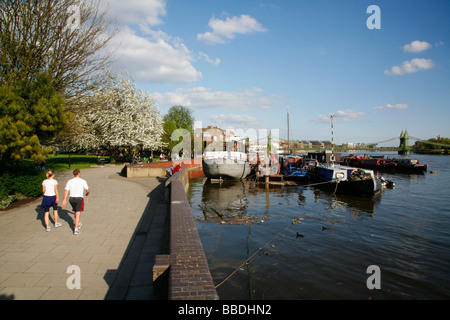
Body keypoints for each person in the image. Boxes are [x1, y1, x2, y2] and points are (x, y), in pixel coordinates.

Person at [62, 169, 90, 235]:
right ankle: (76, 229)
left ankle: (77, 222)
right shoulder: (83, 181)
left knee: (75, 211)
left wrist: (64, 199)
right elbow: (87, 190)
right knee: (78, 214)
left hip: (71, 199)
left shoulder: (70, 181)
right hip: (79, 199)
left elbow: (66, 190)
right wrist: (87, 194)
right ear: (79, 174)